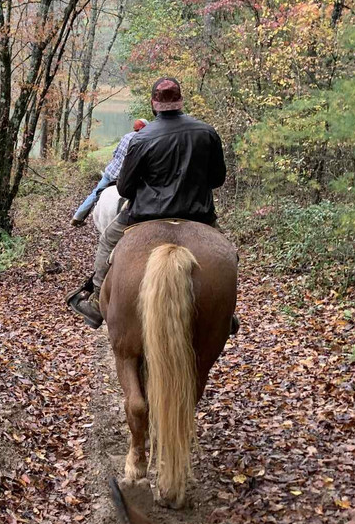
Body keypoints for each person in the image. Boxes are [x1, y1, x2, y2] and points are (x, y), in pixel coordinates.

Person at [68, 77, 237, 332]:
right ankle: (226, 312)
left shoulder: (141, 138)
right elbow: (217, 179)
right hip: (199, 215)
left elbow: (124, 188)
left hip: (144, 216)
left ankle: (95, 303)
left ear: (153, 104)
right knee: (228, 254)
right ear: (180, 101)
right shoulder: (207, 132)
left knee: (106, 242)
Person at [71, 118, 149, 226]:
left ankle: (78, 217)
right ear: (143, 128)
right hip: (123, 177)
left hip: (110, 172)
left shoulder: (126, 136)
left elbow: (114, 152)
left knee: (95, 194)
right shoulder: (143, 141)